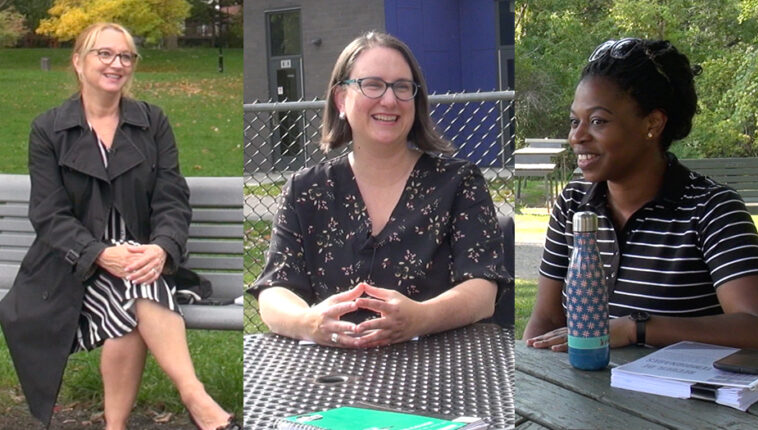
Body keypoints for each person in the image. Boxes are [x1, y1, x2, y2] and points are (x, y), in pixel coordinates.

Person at [0, 23, 239, 430]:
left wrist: (162, 247)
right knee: (135, 290)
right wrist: (98, 253)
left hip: (142, 258)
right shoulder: (49, 129)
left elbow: (171, 198)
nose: (117, 64)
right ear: (78, 62)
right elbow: (48, 214)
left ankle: (117, 427)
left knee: (134, 286)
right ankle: (197, 399)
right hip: (73, 267)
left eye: (125, 56)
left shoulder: (151, 122)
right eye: (104, 54)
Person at [523, 38, 758, 353]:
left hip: (677, 397)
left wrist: (636, 328)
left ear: (653, 124)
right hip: (583, 394)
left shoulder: (710, 209)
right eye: (574, 121)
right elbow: (547, 317)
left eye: (598, 121)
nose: (577, 137)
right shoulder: (573, 203)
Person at [250, 31, 511, 348]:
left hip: (440, 370)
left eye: (402, 87)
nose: (390, 100)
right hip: (330, 374)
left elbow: (483, 290)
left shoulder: (459, 182)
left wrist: (421, 317)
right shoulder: (305, 189)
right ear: (341, 99)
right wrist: (309, 323)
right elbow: (275, 290)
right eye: (372, 84)